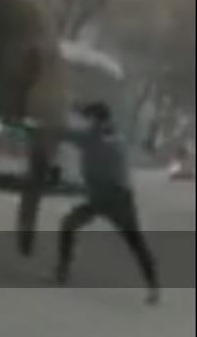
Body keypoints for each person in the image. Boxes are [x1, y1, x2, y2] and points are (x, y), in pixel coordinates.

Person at [29, 101, 160, 304]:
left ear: (96, 120)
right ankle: (153, 286)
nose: (88, 123)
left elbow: (63, 133)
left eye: (90, 119)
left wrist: (38, 125)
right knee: (71, 225)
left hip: (116, 199)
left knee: (133, 240)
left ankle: (153, 286)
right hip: (105, 197)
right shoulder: (111, 135)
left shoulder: (93, 137)